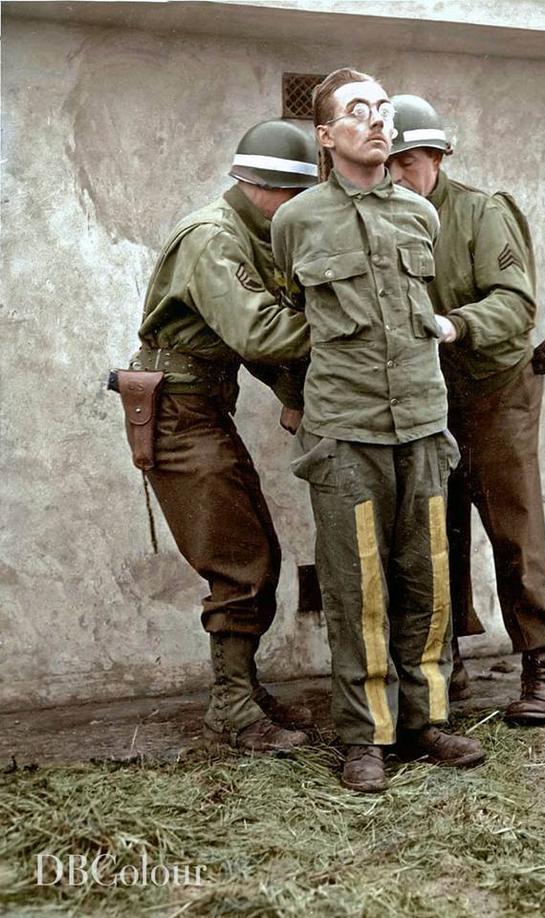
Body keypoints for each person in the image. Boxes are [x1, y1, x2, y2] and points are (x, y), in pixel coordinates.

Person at [271, 68, 485, 793]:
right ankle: (366, 736)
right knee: (356, 588)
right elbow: (285, 323)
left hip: (422, 426)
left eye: (383, 109)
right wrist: (295, 401)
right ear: (326, 136)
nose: (376, 120)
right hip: (346, 432)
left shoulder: (420, 215)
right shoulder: (297, 221)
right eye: (357, 110)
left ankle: (427, 721)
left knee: (428, 579)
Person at [388, 94, 545, 725]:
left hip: (497, 390)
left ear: (438, 157)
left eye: (409, 161)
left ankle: (540, 671)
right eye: (389, 164)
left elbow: (515, 303)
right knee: (431, 532)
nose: (398, 175)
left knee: (513, 523)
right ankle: (445, 665)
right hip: (429, 395)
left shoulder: (481, 213)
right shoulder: (381, 221)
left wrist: (455, 324)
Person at [128, 119, 319, 754]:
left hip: (203, 409)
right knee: (240, 561)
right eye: (297, 196)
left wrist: (293, 396)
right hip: (179, 415)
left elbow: (250, 342)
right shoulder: (213, 238)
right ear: (267, 187)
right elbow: (259, 332)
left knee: (255, 551)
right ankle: (230, 708)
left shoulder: (250, 235)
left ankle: (242, 689)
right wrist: (352, 322)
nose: (300, 211)